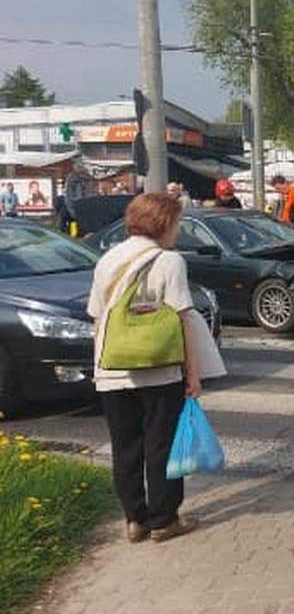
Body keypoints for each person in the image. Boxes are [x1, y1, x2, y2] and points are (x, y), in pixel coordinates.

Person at [87, 193, 206, 543]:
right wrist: (193, 374)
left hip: (112, 370)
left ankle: (134, 520)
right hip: (159, 369)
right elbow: (183, 319)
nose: (179, 230)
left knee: (125, 448)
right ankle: (164, 520)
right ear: (164, 223)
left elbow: (97, 317)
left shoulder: (107, 259)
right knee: (162, 446)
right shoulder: (170, 261)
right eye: (177, 223)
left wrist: (103, 363)